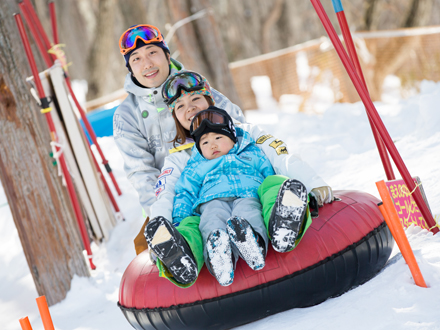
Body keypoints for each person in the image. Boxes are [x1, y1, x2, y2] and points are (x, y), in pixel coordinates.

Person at [144, 70, 333, 287]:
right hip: (210, 206)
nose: (190, 108)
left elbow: (279, 157)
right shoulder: (179, 159)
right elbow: (167, 194)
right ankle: (180, 253)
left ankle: (283, 223)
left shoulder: (247, 134)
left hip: (253, 196)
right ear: (175, 117)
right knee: (191, 222)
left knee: (274, 182)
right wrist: (164, 228)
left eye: (196, 99)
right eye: (180, 106)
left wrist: (313, 182)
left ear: (210, 100)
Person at [113, 24, 246, 252]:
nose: (147, 64)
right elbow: (142, 174)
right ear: (130, 68)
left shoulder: (194, 86)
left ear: (166, 54)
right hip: (172, 200)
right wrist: (167, 215)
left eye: (152, 53)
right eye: (136, 59)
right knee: (156, 249)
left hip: (226, 181)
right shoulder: (126, 115)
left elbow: (240, 130)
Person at [172, 107, 275, 286]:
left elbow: (269, 173)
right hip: (212, 200)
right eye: (204, 143)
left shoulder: (250, 153)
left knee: (248, 214)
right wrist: (179, 219)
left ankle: (254, 243)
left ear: (233, 139)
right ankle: (219, 258)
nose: (212, 145)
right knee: (211, 221)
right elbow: (185, 191)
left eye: (218, 138)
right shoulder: (196, 166)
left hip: (247, 194)